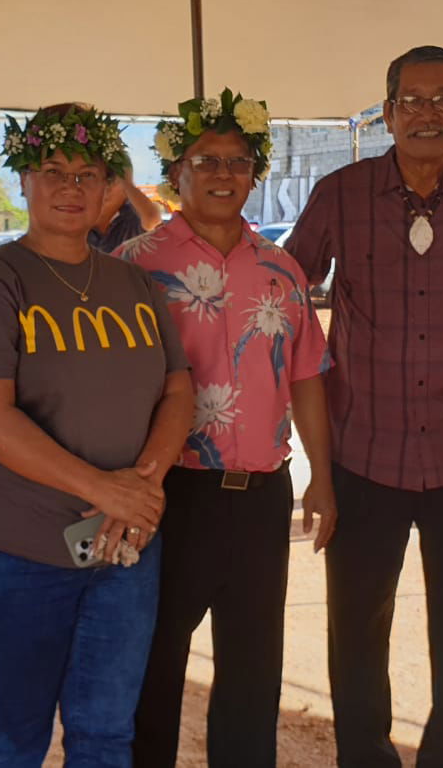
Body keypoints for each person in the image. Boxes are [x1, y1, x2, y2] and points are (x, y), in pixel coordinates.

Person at [285, 45, 443, 767]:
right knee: (356, 627)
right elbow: (284, 292)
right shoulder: (340, 194)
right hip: (362, 454)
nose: (428, 113)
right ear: (389, 112)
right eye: (412, 100)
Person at [0, 102, 194, 766]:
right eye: (53, 170)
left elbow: (178, 390)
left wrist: (140, 489)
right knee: (14, 735)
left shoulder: (135, 284)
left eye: (87, 174)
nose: (70, 187)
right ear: (24, 178)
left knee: (106, 732)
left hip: (126, 552)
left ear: (108, 185)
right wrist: (105, 491)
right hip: (19, 553)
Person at [122, 90, 336, 768]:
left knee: (252, 673)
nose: (223, 173)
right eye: (205, 160)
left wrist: (322, 479)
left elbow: (307, 376)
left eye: (237, 161)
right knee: (154, 666)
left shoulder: (282, 269)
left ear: (254, 173)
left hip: (262, 498)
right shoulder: (133, 265)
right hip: (169, 497)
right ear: (175, 172)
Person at [88, 167, 163, 252]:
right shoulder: (81, 218)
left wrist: (127, 182)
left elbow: (153, 219)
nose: (104, 187)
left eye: (110, 180)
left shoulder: (134, 217)